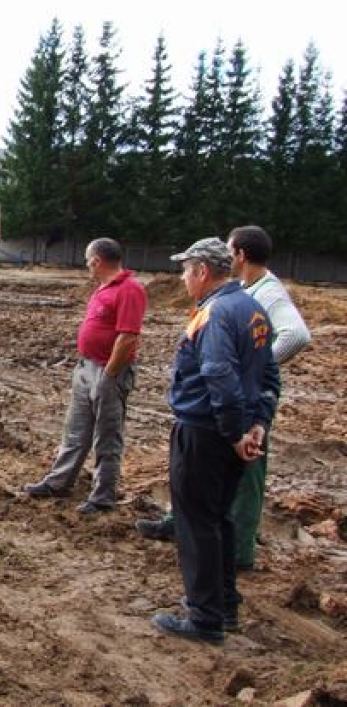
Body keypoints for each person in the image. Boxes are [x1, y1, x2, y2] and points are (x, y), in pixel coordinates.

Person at [135, 226, 310, 570]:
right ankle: (181, 526)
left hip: (239, 405)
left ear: (240, 255)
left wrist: (254, 366)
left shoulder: (266, 294)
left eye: (229, 250)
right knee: (205, 485)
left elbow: (297, 335)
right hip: (234, 402)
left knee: (243, 479)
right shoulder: (240, 293)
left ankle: (237, 555)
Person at [151, 237, 280, 644]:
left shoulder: (215, 314)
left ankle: (204, 618)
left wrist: (235, 432)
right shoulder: (253, 309)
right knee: (219, 519)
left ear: (203, 271)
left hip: (206, 432)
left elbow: (219, 376)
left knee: (196, 524)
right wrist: (257, 424)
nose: (184, 278)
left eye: (186, 270)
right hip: (229, 432)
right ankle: (224, 606)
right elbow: (269, 377)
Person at [22, 238, 148, 515]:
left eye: (87, 260)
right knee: (76, 431)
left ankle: (103, 496)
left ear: (97, 261)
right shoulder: (103, 288)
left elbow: (127, 337)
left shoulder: (129, 290)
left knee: (106, 436)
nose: (86, 265)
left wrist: (110, 375)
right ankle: (59, 482)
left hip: (108, 372)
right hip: (87, 367)